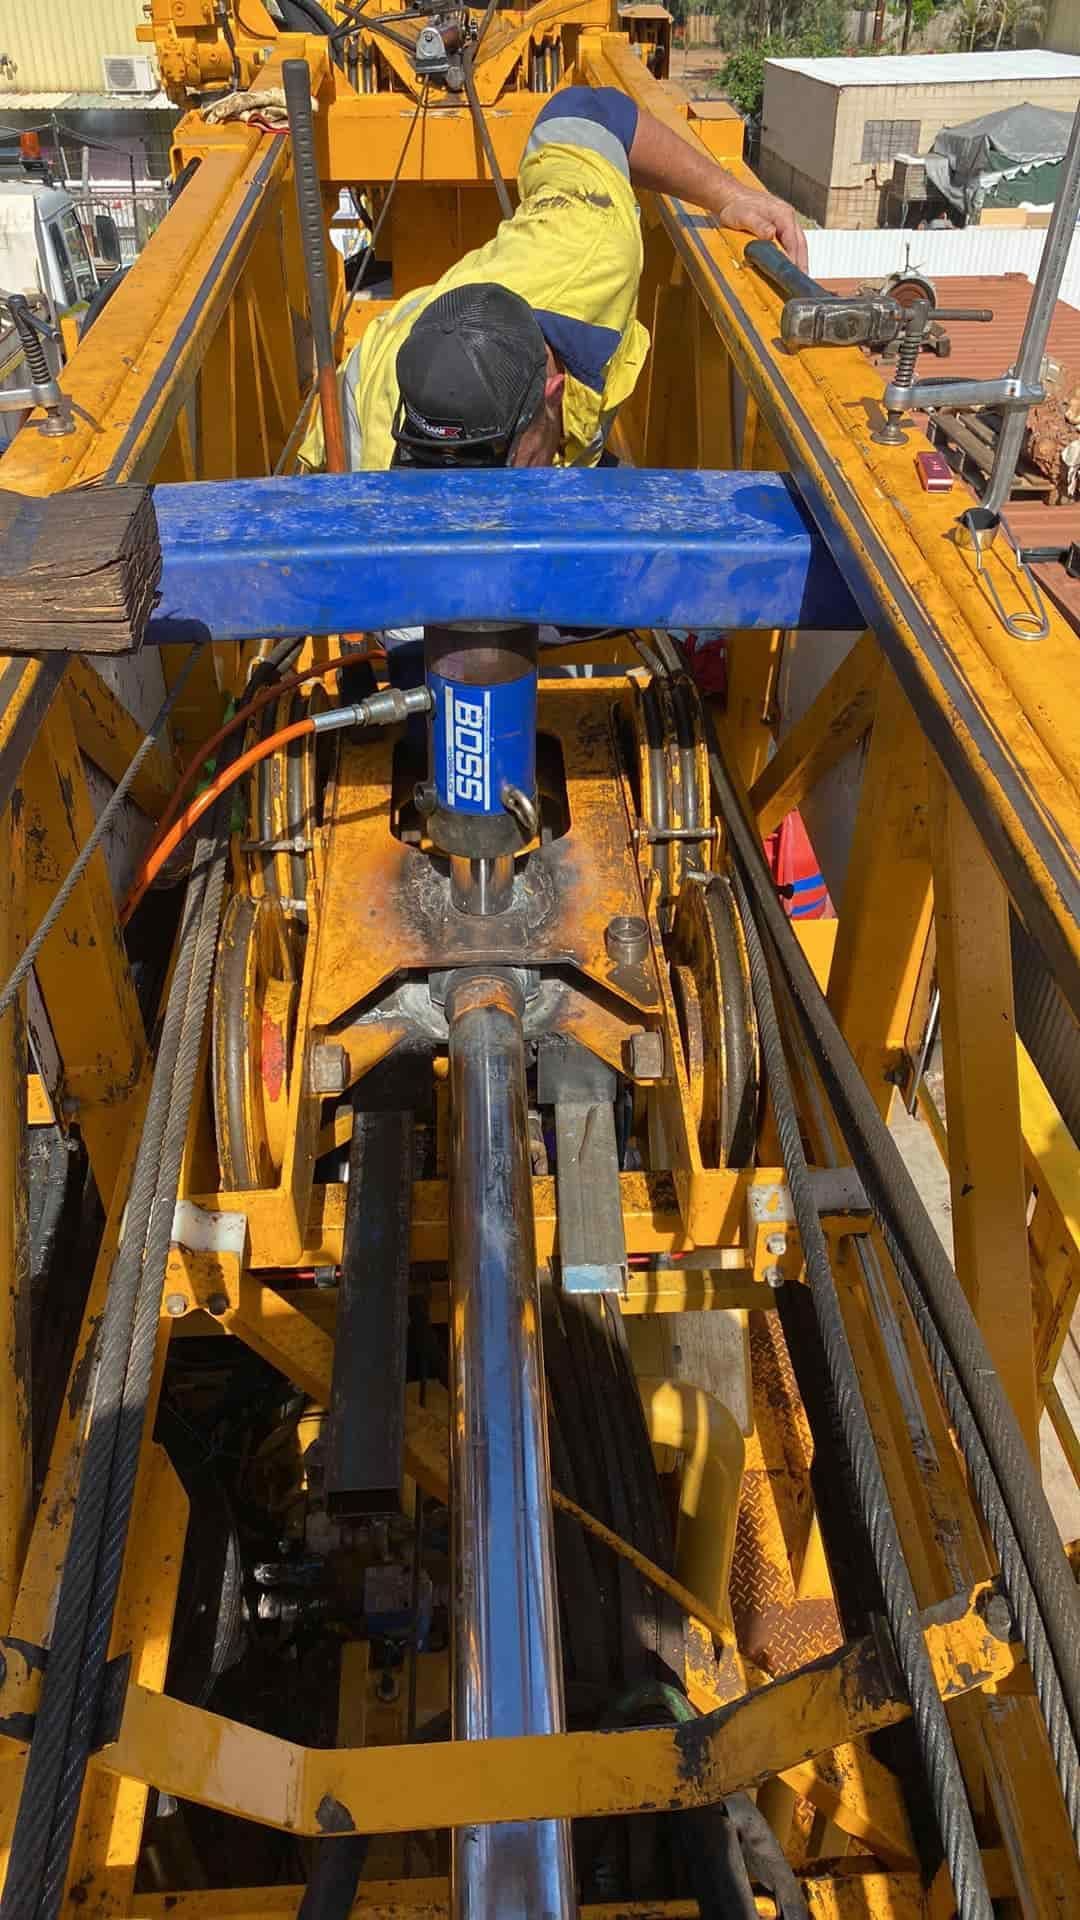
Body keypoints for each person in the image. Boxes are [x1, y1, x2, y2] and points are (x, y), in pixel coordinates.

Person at [301, 85, 806, 474]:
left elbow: (588, 113)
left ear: (552, 392)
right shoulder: (378, 448)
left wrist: (727, 196)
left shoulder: (588, 247)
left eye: (511, 469)